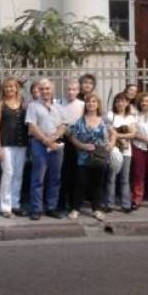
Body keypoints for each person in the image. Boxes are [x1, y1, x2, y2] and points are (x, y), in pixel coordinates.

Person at [25, 78, 66, 220]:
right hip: (39, 145)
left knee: (55, 178)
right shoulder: (33, 106)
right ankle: (36, 209)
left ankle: (51, 207)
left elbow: (63, 126)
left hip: (57, 145)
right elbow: (32, 127)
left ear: (52, 90)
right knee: (38, 178)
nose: (45, 91)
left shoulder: (59, 106)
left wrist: (53, 138)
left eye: (47, 88)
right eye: (42, 89)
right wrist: (46, 141)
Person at [68, 94, 113, 221]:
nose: (91, 104)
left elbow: (113, 134)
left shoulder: (104, 120)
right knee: (80, 183)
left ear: (98, 104)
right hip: (83, 157)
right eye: (88, 102)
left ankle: (96, 210)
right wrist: (82, 145)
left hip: (100, 157)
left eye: (94, 101)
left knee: (98, 185)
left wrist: (111, 144)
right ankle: (76, 209)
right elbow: (72, 137)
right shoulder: (80, 121)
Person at [0, 77, 29, 218]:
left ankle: (15, 204)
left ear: (16, 88)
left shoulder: (23, 104)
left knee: (18, 175)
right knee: (8, 173)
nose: (9, 89)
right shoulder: (0, 105)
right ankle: (5, 207)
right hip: (5, 144)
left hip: (21, 144)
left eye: (12, 86)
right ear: (3, 89)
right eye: (7, 87)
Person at [104, 92, 136, 213]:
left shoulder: (130, 117)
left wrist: (119, 135)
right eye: (117, 101)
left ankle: (126, 204)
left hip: (127, 151)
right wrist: (118, 137)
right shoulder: (110, 115)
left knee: (124, 178)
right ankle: (109, 204)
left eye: (122, 101)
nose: (120, 103)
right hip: (113, 150)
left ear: (127, 103)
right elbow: (108, 130)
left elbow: (133, 133)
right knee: (111, 177)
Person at [58, 80, 85, 212]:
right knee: (62, 173)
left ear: (78, 91)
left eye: (74, 89)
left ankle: (74, 204)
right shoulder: (58, 103)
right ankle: (61, 203)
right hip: (62, 140)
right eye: (69, 89)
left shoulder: (82, 105)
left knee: (76, 174)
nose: (71, 92)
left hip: (77, 142)